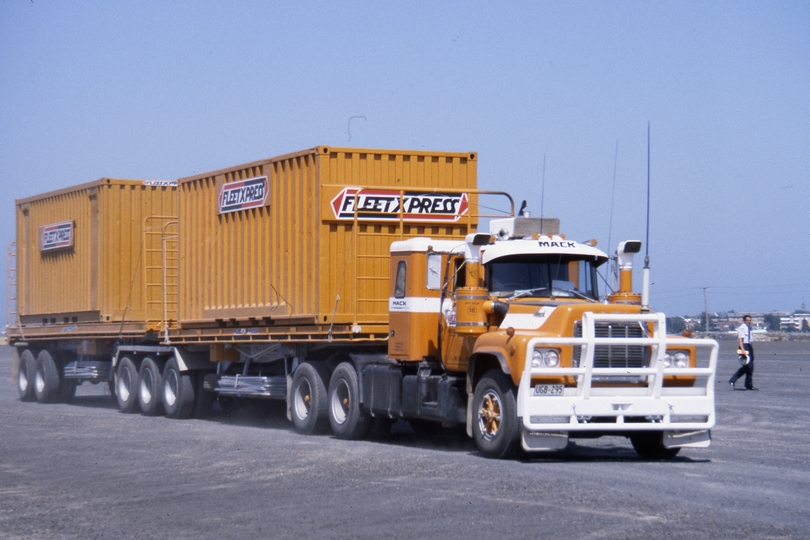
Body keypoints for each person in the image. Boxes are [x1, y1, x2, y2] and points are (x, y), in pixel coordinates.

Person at [730, 315, 757, 390]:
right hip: (744, 347)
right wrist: (742, 350)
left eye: (750, 320)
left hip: (749, 346)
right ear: (744, 320)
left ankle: (748, 385)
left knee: (749, 367)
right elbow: (740, 340)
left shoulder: (749, 328)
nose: (749, 321)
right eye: (747, 320)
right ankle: (734, 380)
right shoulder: (742, 328)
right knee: (748, 366)